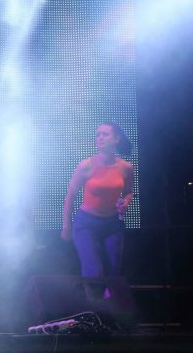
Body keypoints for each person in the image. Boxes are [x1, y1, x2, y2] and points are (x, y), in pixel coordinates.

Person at [61, 121, 135, 285]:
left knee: (113, 273)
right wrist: (66, 226)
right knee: (93, 272)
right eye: (98, 135)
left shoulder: (126, 167)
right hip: (86, 223)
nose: (100, 137)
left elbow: (128, 192)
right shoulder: (86, 166)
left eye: (105, 134)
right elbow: (70, 196)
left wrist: (126, 202)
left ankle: (108, 302)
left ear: (116, 139)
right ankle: (93, 301)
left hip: (112, 224)